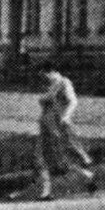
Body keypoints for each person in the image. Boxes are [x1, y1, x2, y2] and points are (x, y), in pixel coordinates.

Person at [34, 69, 96, 201]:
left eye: (47, 74)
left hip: (52, 129)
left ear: (54, 71)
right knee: (51, 160)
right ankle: (86, 175)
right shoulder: (51, 88)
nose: (46, 77)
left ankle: (46, 192)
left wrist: (65, 117)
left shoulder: (62, 85)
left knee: (48, 159)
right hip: (46, 128)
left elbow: (72, 101)